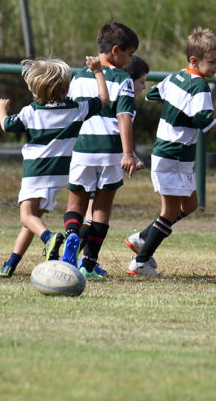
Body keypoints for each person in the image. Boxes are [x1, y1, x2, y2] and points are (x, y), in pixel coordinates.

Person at [125, 28, 216, 277]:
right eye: (212, 61)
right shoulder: (200, 87)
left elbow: (153, 94)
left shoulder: (175, 77)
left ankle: (142, 238)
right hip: (173, 153)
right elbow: (205, 123)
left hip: (176, 155)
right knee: (170, 212)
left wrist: (176, 107)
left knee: (191, 204)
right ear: (194, 60)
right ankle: (140, 261)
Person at [0, 56, 108, 278]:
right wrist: (97, 72)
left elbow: (7, 125)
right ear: (66, 86)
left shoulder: (31, 111)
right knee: (32, 220)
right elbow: (104, 98)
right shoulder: (76, 109)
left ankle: (49, 238)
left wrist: (1, 109)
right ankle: (10, 265)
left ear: (36, 88)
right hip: (59, 175)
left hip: (36, 171)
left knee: (25, 217)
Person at [61, 22, 139, 280]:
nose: (129, 61)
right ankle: (89, 262)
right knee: (101, 209)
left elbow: (71, 113)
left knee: (76, 203)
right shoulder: (123, 79)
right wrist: (128, 153)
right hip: (109, 150)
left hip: (82, 148)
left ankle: (71, 241)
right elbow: (124, 116)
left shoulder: (79, 76)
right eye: (128, 54)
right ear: (115, 51)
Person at [77, 55, 150, 278]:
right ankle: (80, 262)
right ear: (130, 79)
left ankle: (81, 261)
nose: (143, 87)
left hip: (88, 153)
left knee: (90, 212)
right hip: (103, 156)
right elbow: (117, 125)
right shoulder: (123, 93)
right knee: (95, 212)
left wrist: (131, 155)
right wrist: (128, 154)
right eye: (142, 82)